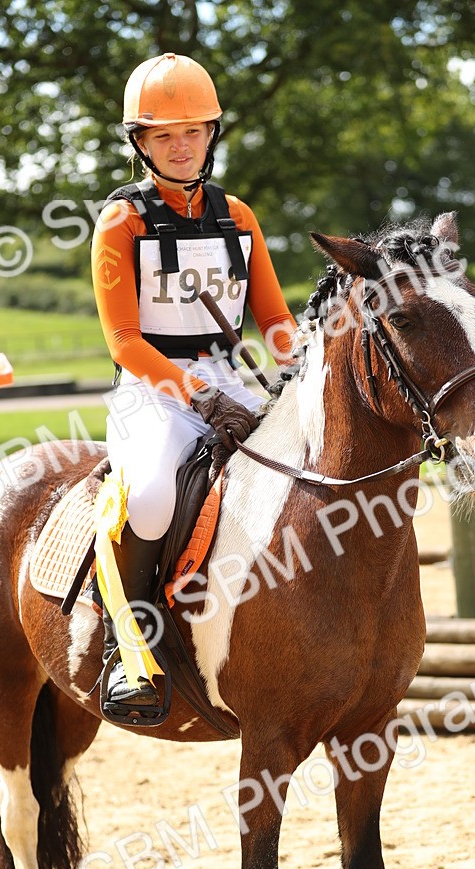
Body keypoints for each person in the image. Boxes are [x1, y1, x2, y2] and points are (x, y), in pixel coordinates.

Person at [91, 52, 298, 718]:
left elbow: (274, 319)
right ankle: (129, 650)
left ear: (211, 136)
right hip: (151, 389)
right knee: (150, 497)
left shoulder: (237, 215)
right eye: (164, 136)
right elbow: (123, 339)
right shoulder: (121, 223)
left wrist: (300, 365)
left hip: (229, 380)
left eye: (193, 132)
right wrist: (194, 392)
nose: (181, 147)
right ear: (141, 144)